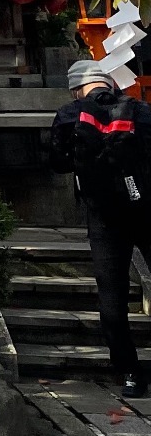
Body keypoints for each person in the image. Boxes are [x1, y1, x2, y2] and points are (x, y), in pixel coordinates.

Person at [51, 58, 151, 395]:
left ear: (77, 88)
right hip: (146, 210)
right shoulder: (141, 110)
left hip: (104, 218)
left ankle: (131, 375)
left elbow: (58, 162)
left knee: (112, 298)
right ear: (109, 84)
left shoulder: (69, 114)